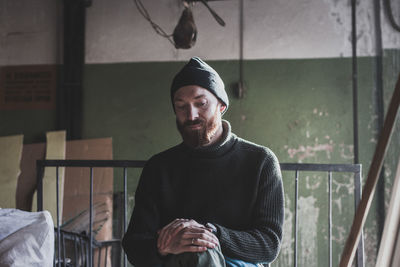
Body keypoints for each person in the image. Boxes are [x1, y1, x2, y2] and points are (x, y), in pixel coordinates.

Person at [122, 57, 284, 267]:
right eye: (181, 106)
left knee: (201, 255)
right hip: (177, 263)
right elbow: (135, 244)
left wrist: (210, 234)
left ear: (222, 106)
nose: (191, 115)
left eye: (201, 104)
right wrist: (163, 247)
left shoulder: (261, 161)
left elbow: (269, 244)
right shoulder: (159, 167)